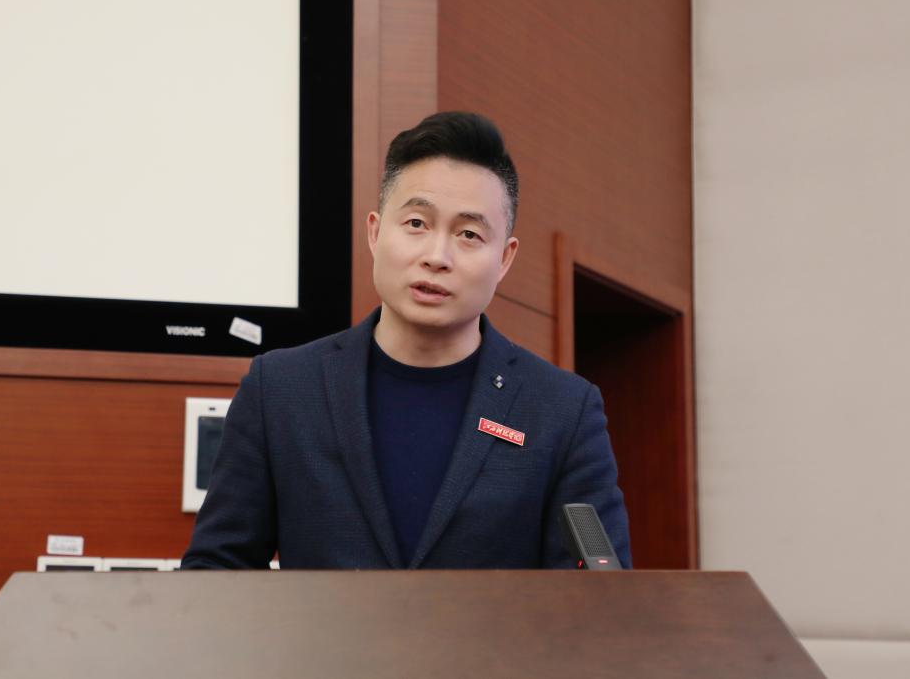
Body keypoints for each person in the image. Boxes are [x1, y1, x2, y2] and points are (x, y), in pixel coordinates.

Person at [182, 111, 631, 569]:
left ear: (504, 259)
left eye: (469, 234)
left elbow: (599, 595)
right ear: (375, 232)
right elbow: (216, 573)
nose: (437, 256)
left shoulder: (562, 411)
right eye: (417, 223)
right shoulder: (281, 389)